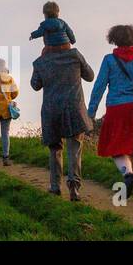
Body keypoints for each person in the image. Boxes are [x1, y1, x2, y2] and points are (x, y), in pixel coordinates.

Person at [88, 24, 133, 202]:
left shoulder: (109, 60)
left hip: (117, 109)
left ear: (114, 39)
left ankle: (128, 175)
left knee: (117, 148)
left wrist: (91, 112)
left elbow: (99, 87)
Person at [30, 44, 95, 200]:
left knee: (55, 149)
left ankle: (55, 187)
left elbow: (35, 85)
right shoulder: (74, 55)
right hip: (73, 107)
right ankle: (74, 186)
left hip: (51, 109)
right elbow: (90, 76)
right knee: (74, 147)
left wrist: (43, 61)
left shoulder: (41, 61)